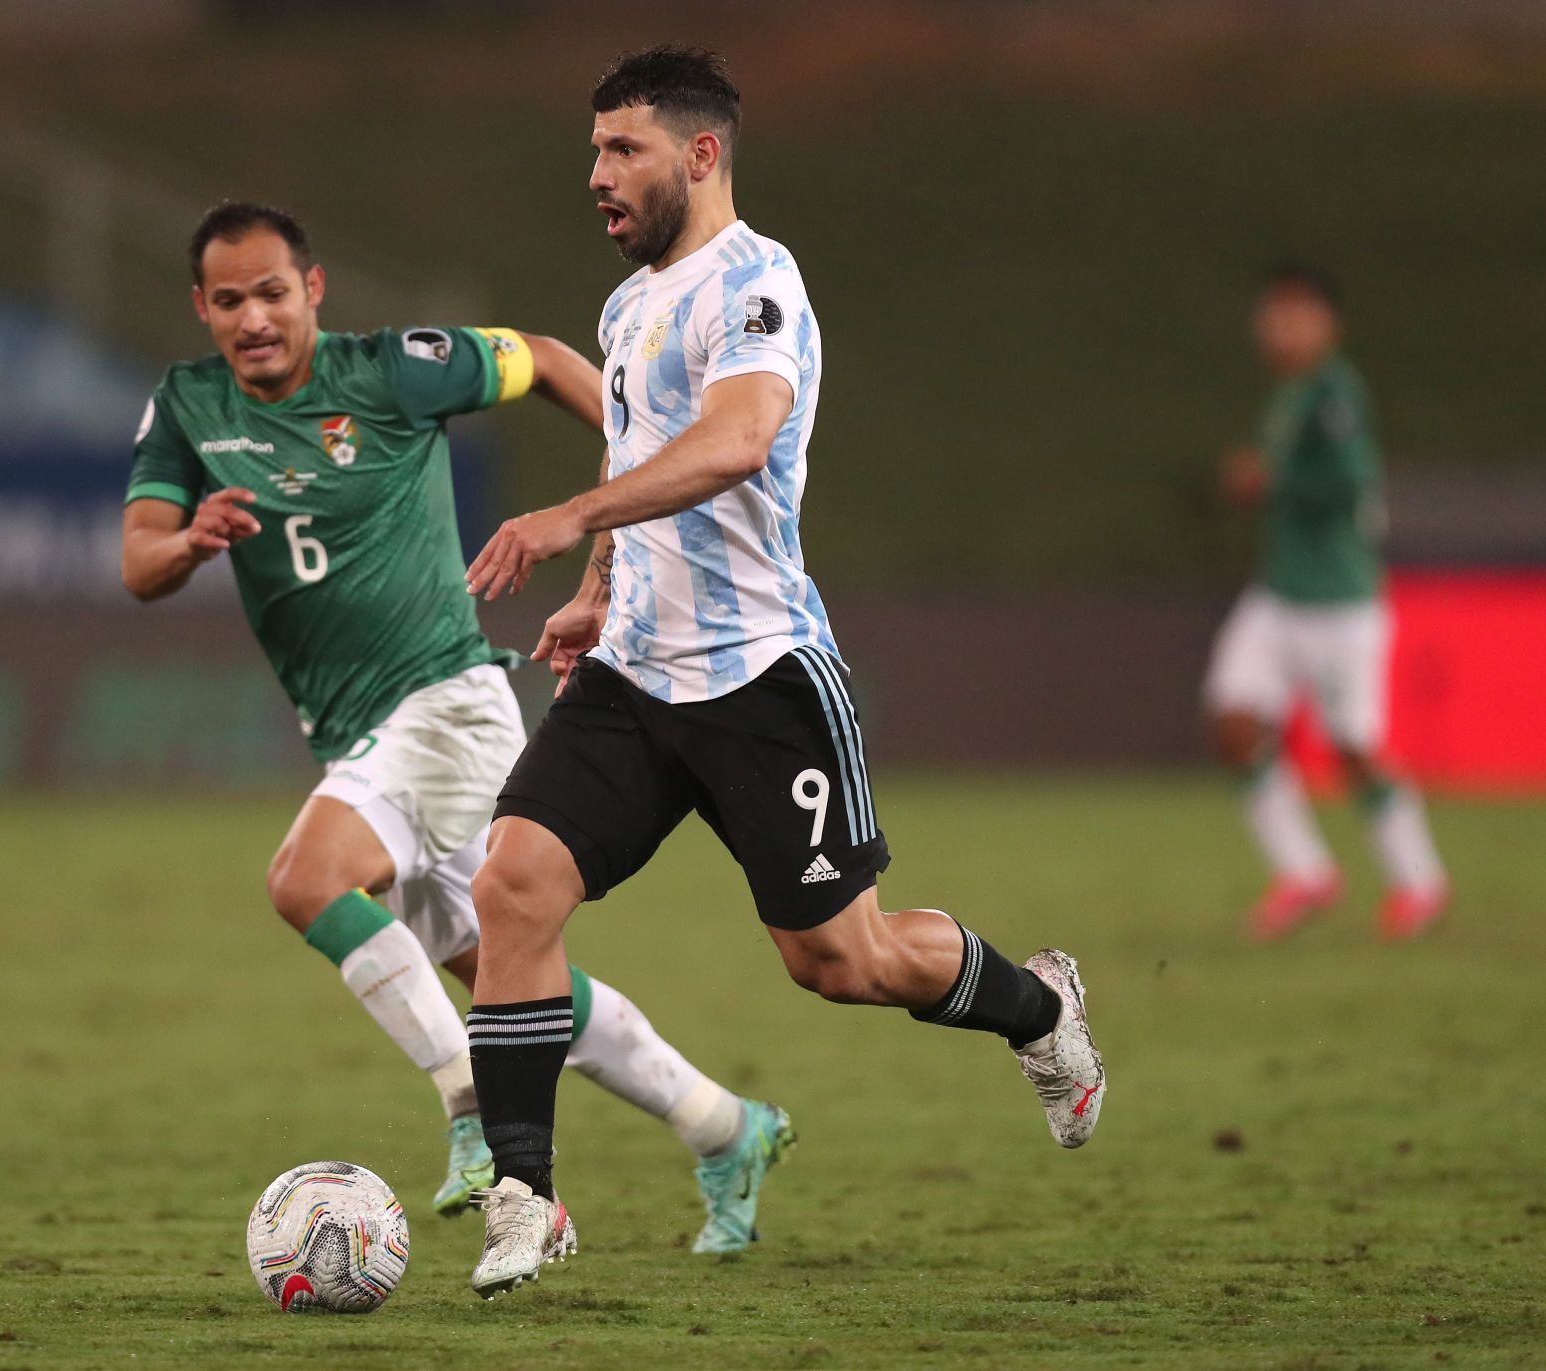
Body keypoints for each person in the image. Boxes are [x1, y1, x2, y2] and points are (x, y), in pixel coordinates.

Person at [455, 47, 1107, 1300]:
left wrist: (565, 522)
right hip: (637, 677)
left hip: (761, 679)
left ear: (701, 155)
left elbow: (740, 440)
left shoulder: (758, 284)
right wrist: (596, 593)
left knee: (841, 963)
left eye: (623, 149)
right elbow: (644, 443)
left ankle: (1038, 1007)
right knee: (513, 890)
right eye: (594, 150)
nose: (597, 173)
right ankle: (524, 1200)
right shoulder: (627, 306)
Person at [120, 200, 793, 1253]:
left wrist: (619, 488)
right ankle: (726, 1126)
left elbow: (551, 357)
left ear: (315, 291)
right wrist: (194, 540)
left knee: (308, 879)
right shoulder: (189, 405)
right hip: (355, 732)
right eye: (230, 299)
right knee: (509, 986)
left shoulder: (394, 368)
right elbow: (138, 562)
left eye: (273, 292)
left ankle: (474, 1120)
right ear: (201, 307)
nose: (254, 317)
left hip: (445, 699)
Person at [1205, 263, 1449, 942]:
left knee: (1354, 747)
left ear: (1326, 323)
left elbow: (1349, 485)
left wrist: (1272, 480)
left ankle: (1420, 880)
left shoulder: (1335, 393)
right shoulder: (1292, 393)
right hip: (1279, 594)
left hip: (1339, 600)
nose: (1279, 328)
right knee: (1231, 719)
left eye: (1295, 314)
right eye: (1272, 314)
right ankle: (1305, 870)